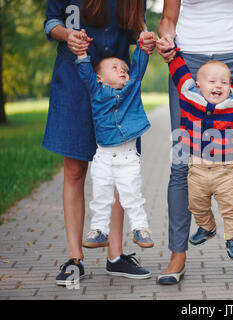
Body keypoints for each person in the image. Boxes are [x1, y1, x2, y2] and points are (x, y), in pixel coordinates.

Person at [156, 0, 233, 285]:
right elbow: (168, 18)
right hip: (188, 60)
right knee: (182, 163)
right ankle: (177, 255)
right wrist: (166, 40)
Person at [43, 0, 156, 286]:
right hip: (74, 80)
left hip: (116, 89)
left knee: (122, 169)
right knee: (74, 171)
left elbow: (133, 31)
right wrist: (67, 35)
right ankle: (75, 259)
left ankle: (116, 257)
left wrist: (144, 38)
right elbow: (50, 22)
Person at [163, 44, 233, 263]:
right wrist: (173, 55)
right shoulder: (189, 97)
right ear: (198, 85)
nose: (219, 86)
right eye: (212, 82)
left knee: (231, 207)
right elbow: (179, 73)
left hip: (225, 172)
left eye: (224, 83)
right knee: (195, 204)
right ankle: (207, 227)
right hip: (196, 171)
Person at [75, 28, 154, 260]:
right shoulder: (96, 91)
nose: (122, 71)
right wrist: (81, 53)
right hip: (103, 157)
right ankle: (99, 230)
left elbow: (138, 68)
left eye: (124, 69)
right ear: (99, 77)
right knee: (101, 195)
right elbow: (85, 71)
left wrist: (142, 45)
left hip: (128, 156)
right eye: (115, 68)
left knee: (131, 194)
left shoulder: (131, 89)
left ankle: (141, 228)